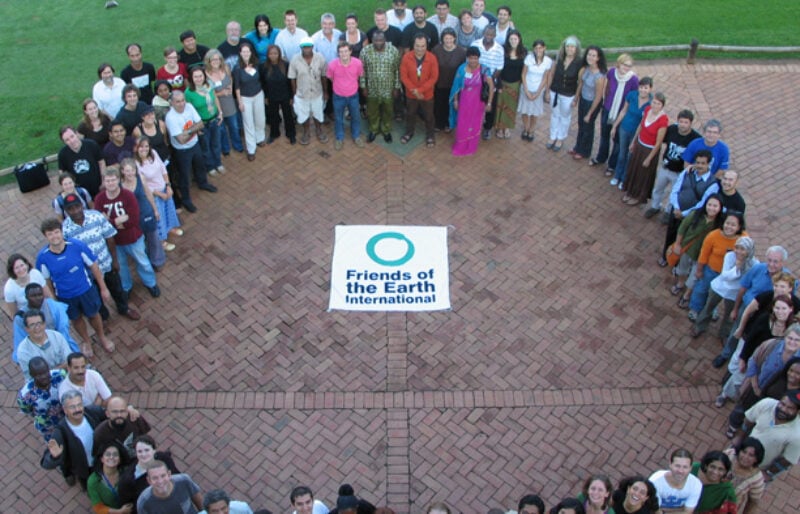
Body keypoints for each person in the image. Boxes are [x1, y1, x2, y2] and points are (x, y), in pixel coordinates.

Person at [36, 218, 114, 353]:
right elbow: (47, 282)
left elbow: (94, 267)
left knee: (94, 315)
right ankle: (87, 341)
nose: (54, 236)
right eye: (50, 234)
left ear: (61, 232)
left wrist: (103, 288)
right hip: (65, 297)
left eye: (56, 232)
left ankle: (102, 338)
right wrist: (54, 302)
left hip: (86, 291)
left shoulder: (77, 246)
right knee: (76, 320)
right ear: (45, 236)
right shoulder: (42, 258)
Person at [62, 193, 142, 323]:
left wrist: (115, 260)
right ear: (66, 211)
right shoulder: (65, 230)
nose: (75, 211)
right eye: (71, 208)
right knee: (95, 296)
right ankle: (103, 316)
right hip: (88, 272)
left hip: (106, 263)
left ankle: (124, 308)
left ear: (82, 205)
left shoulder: (96, 216)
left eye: (77, 206)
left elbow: (110, 239)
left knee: (117, 289)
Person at [713, 246, 793, 368]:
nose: (771, 264)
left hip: (768, 315)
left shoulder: (788, 279)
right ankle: (725, 354)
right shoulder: (758, 269)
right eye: (769, 260)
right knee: (737, 331)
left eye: (775, 261)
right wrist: (735, 309)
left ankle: (745, 360)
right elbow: (743, 288)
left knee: (754, 338)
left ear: (783, 262)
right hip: (747, 309)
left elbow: (788, 301)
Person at [94, 168, 161, 299]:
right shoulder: (99, 199)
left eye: (113, 180)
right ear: (104, 182)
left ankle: (151, 283)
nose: (111, 183)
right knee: (122, 267)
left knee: (143, 262)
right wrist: (118, 220)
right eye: (108, 181)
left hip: (133, 237)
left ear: (118, 180)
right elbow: (100, 222)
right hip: (114, 241)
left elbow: (134, 219)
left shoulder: (128, 196)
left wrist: (110, 221)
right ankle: (126, 287)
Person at [659, 150, 719, 268]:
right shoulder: (686, 173)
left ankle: (678, 264)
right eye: (698, 162)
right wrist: (676, 207)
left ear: (708, 164)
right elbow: (675, 189)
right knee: (671, 233)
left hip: (692, 216)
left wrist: (685, 213)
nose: (700, 166)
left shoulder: (713, 184)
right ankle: (666, 256)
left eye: (703, 163)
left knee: (685, 239)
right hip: (676, 210)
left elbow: (703, 203)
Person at [692, 236, 756, 340]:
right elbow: (726, 276)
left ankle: (724, 334)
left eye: (742, 249)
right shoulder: (729, 256)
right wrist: (737, 267)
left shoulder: (754, 264)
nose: (738, 252)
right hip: (720, 287)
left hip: (735, 294)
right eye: (737, 248)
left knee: (730, 315)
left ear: (749, 251)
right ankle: (699, 326)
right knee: (708, 307)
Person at [165, 90, 219, 213]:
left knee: (200, 166)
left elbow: (201, 124)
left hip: (195, 144)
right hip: (182, 151)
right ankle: (186, 200)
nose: (181, 103)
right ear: (172, 103)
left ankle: (203, 183)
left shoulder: (189, 107)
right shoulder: (171, 118)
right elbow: (181, 140)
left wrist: (188, 131)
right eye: (177, 101)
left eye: (182, 100)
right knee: (185, 175)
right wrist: (195, 130)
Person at [687, 211, 747, 321]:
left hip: (729, 274)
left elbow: (748, 253)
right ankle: (695, 308)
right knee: (702, 289)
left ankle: (712, 309)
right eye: (727, 223)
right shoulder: (713, 236)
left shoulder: (743, 238)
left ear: (739, 227)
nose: (729, 227)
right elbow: (703, 254)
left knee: (717, 294)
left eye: (733, 225)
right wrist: (699, 270)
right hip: (711, 270)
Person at [41, 390, 106, 489]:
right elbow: (45, 463)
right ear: (65, 410)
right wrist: (54, 457)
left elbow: (112, 416)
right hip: (83, 469)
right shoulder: (61, 432)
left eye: (79, 405)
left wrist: (129, 410)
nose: (77, 409)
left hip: (102, 462)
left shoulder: (94, 412)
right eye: (72, 407)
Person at [644, 110, 702, 219]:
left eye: (686, 122)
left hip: (679, 172)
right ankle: (655, 206)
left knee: (674, 193)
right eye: (681, 121)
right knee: (658, 188)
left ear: (691, 123)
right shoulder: (671, 130)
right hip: (665, 167)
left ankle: (668, 211)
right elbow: (662, 140)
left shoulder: (695, 138)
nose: (683, 125)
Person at [727, 355, 800, 442]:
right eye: (791, 370)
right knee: (747, 425)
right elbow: (767, 387)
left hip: (776, 422)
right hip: (762, 409)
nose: (792, 375)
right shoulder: (781, 376)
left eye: (798, 373)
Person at [731, 390, 800, 482]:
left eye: (790, 408)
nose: (783, 409)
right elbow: (748, 420)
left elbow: (787, 460)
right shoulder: (767, 404)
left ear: (798, 411)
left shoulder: (797, 434)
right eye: (782, 404)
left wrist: (768, 472)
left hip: (758, 468)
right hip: (740, 451)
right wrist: (739, 437)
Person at [673, 194, 724, 309]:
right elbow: (683, 228)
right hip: (687, 249)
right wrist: (677, 244)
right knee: (682, 269)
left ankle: (686, 295)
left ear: (720, 208)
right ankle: (680, 283)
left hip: (703, 256)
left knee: (695, 277)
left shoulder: (720, 224)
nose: (711, 208)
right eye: (709, 205)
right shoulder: (696, 214)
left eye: (715, 206)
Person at [590, 54, 639, 170]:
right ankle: (601, 157)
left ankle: (612, 165)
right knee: (604, 136)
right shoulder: (612, 72)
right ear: (619, 63)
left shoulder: (633, 80)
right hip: (608, 110)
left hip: (621, 113)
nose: (626, 68)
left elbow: (633, 97)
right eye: (624, 64)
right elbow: (607, 87)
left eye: (629, 66)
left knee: (617, 140)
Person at [620, 90, 669, 204]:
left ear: (662, 106)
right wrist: (634, 142)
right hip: (640, 145)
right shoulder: (647, 110)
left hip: (649, 150)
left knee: (643, 174)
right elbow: (640, 127)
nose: (655, 105)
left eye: (658, 104)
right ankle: (630, 192)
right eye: (654, 102)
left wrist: (649, 158)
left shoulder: (663, 120)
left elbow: (658, 143)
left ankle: (637, 196)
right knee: (634, 170)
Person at [134, 137, 182, 252]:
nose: (144, 149)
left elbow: (163, 169)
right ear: (136, 148)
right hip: (154, 195)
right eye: (141, 146)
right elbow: (145, 185)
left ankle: (170, 228)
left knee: (168, 211)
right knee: (159, 218)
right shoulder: (136, 164)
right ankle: (162, 241)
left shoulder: (154, 153)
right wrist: (160, 194)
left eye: (146, 146)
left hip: (164, 188)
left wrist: (168, 185)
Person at [12, 283, 79, 362]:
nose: (37, 298)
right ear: (27, 297)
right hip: (38, 352)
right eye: (33, 296)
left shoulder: (54, 306)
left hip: (59, 345)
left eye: (39, 294)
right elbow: (20, 340)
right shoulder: (20, 317)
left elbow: (63, 329)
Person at [120, 158, 164, 270]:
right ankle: (145, 263)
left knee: (153, 238)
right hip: (133, 217)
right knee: (139, 242)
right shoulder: (120, 185)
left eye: (133, 170)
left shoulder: (141, 179)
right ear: (122, 171)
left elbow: (149, 194)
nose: (131, 173)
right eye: (128, 170)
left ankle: (157, 261)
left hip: (146, 213)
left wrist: (155, 210)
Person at [610, 77, 653, 188]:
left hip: (636, 133)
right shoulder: (632, 95)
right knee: (621, 154)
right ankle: (617, 176)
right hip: (624, 128)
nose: (643, 90)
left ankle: (625, 178)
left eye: (646, 88)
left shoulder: (651, 103)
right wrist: (615, 126)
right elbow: (623, 111)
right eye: (641, 87)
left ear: (650, 89)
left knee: (630, 156)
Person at [450, 46, 493, 156]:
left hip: (478, 103)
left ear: (478, 58)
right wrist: (455, 101)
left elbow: (491, 87)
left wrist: (489, 103)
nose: (473, 61)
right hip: (464, 102)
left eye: (475, 58)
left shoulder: (484, 70)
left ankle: (471, 147)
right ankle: (461, 146)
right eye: (471, 58)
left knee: (475, 124)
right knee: (462, 124)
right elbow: (456, 87)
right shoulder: (462, 69)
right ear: (467, 58)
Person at [118, 435, 181, 509]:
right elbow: (128, 506)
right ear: (136, 453)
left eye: (147, 450)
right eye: (140, 451)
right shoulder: (128, 480)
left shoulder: (164, 459)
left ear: (154, 450)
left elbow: (178, 478)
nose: (143, 454)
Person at [359, 31, 401, 143]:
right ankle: (373, 129)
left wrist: (396, 87)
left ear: (385, 40)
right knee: (372, 111)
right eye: (375, 40)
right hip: (372, 88)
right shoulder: (365, 51)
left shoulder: (393, 51)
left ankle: (386, 130)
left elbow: (397, 70)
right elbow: (362, 71)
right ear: (372, 40)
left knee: (388, 110)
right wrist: (363, 87)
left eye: (380, 40)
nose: (378, 42)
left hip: (388, 88)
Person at [289, 37, 330, 146]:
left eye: (309, 46)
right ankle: (306, 132)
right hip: (302, 93)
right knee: (303, 114)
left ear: (312, 47)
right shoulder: (295, 59)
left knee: (318, 112)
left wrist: (325, 92)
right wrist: (294, 95)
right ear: (301, 48)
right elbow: (292, 78)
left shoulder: (320, 58)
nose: (306, 49)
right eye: (304, 47)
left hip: (317, 92)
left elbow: (324, 76)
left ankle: (319, 130)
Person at [399, 35, 439, 147]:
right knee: (410, 114)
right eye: (417, 46)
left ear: (426, 46)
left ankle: (430, 135)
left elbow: (434, 77)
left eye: (423, 46)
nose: (420, 48)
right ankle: (409, 132)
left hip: (427, 94)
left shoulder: (432, 58)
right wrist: (414, 91)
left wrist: (420, 90)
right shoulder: (407, 57)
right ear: (413, 45)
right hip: (411, 95)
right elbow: (404, 76)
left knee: (429, 115)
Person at [568, 45, 607, 158]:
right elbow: (581, 84)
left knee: (588, 126)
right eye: (589, 54)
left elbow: (598, 96)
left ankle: (584, 151)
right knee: (581, 124)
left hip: (592, 103)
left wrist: (590, 113)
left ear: (598, 58)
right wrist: (576, 99)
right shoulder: (585, 69)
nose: (590, 57)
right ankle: (578, 147)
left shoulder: (599, 76)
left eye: (593, 55)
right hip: (583, 100)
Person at [17, 357, 68, 441]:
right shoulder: (25, 395)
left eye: (45, 372)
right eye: (39, 375)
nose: (44, 377)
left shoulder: (60, 376)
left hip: (67, 417)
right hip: (48, 426)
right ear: (31, 374)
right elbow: (27, 410)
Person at [205, 48, 244, 155]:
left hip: (229, 102)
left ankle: (238, 145)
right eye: (213, 60)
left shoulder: (225, 68)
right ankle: (226, 148)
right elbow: (208, 94)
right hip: (217, 105)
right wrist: (221, 93)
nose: (216, 62)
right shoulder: (206, 75)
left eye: (218, 59)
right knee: (221, 129)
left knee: (234, 126)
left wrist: (230, 87)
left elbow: (230, 78)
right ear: (208, 61)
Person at [186, 67, 224, 174]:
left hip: (214, 119)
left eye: (200, 76)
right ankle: (210, 166)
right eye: (195, 77)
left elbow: (215, 98)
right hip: (202, 124)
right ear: (191, 78)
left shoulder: (209, 85)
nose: (198, 79)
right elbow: (189, 111)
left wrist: (220, 112)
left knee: (216, 144)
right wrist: (195, 127)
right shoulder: (189, 93)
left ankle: (218, 163)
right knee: (205, 147)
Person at [327, 41, 365, 150]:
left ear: (350, 52)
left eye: (346, 51)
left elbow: (359, 75)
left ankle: (356, 136)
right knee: (338, 118)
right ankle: (339, 138)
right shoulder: (332, 65)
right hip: (338, 96)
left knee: (356, 117)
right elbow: (330, 77)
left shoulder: (358, 63)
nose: (343, 54)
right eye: (341, 52)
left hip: (353, 95)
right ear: (338, 53)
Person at [546, 36, 581, 151]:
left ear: (576, 49)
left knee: (565, 116)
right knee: (555, 115)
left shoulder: (579, 63)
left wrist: (576, 98)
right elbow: (551, 74)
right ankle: (552, 136)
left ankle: (560, 137)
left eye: (572, 47)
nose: (570, 49)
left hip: (568, 94)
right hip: (555, 92)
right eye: (568, 46)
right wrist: (547, 90)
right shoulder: (558, 59)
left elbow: (580, 82)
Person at [471, 25, 504, 141]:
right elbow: (469, 62)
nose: (489, 37)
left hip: (490, 85)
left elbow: (499, 68)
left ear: (495, 35)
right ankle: (473, 127)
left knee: (490, 107)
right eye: (487, 34)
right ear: (483, 33)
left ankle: (487, 128)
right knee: (474, 107)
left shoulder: (499, 49)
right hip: (475, 82)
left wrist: (488, 80)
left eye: (491, 34)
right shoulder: (475, 44)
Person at [260, 45, 296, 147]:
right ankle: (274, 133)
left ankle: (291, 134)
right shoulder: (263, 67)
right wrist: (266, 97)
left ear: (279, 54)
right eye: (271, 54)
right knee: (273, 116)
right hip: (271, 96)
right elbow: (263, 83)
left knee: (288, 115)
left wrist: (291, 97)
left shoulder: (286, 65)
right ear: (268, 55)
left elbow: (290, 81)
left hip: (285, 95)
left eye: (275, 53)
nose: (273, 56)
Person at [431, 28, 465, 133]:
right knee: (439, 104)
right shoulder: (436, 50)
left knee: (450, 105)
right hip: (439, 83)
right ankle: (438, 123)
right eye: (446, 38)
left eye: (450, 38)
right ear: (442, 39)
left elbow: (463, 68)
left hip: (454, 84)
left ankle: (448, 124)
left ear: (454, 38)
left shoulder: (461, 51)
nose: (448, 40)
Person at [137, 460, 203, 513]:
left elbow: (201, 506)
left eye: (163, 476)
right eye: (155, 478)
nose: (160, 481)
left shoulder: (184, 481)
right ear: (149, 481)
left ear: (169, 474)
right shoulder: (144, 502)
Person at [518, 39, 552, 142]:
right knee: (525, 111)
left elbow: (545, 78)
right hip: (526, 88)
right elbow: (523, 74)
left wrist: (538, 93)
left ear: (544, 48)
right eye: (536, 48)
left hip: (538, 90)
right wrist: (527, 90)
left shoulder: (548, 61)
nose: (538, 50)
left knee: (534, 113)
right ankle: (526, 128)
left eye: (540, 48)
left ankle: (531, 130)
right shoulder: (529, 58)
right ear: (533, 49)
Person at [493, 30, 525, 139]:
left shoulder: (523, 52)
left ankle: (506, 127)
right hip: (503, 83)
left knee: (510, 107)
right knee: (500, 106)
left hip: (515, 84)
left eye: (515, 39)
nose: (513, 41)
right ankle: (499, 127)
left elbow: (524, 70)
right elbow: (498, 68)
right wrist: (499, 84)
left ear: (519, 40)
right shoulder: (502, 51)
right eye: (511, 39)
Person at [649, 449, 703, 513]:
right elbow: (656, 511)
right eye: (677, 466)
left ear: (690, 468)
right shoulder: (655, 481)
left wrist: (664, 511)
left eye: (685, 467)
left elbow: (688, 512)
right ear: (670, 464)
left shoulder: (696, 484)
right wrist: (680, 509)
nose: (680, 471)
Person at [58, 125, 106, 197]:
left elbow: (101, 163)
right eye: (67, 140)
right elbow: (62, 174)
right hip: (79, 192)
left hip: (98, 186)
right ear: (64, 142)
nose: (71, 141)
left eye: (72, 136)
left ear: (76, 134)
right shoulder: (63, 154)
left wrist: (104, 181)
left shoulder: (91, 145)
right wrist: (69, 189)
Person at [87, 440, 134, 514]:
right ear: (102, 459)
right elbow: (98, 508)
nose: (111, 457)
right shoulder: (93, 481)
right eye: (108, 454)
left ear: (119, 460)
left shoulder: (126, 471)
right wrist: (120, 512)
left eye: (115, 454)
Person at [723, 438, 765, 514]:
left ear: (756, 459)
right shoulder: (729, 455)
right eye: (744, 452)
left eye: (751, 455)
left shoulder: (757, 479)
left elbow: (753, 503)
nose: (745, 457)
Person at [4, 253, 50, 319]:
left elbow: (48, 296)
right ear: (12, 271)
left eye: (22, 265)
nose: (21, 269)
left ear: (27, 264)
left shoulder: (35, 274)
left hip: (44, 310)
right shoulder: (9, 289)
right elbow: (14, 313)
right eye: (16, 268)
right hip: (27, 317)